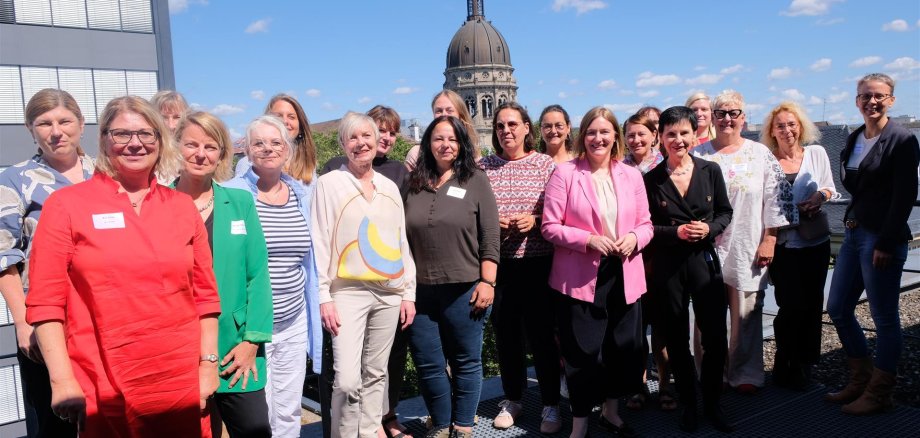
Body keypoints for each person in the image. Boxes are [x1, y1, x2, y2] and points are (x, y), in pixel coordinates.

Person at [25, 96, 220, 437]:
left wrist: (208, 365)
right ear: (103, 139)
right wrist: (62, 379)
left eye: (146, 134)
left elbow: (205, 297)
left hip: (180, 380)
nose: (135, 144)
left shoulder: (181, 207)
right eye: (121, 134)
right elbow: (46, 303)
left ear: (160, 141)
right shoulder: (66, 206)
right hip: (104, 380)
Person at [541, 106, 653, 438]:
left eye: (604, 132)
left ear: (615, 137)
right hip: (579, 277)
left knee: (620, 350)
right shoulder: (565, 173)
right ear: (582, 136)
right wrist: (588, 239)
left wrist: (634, 238)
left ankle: (611, 413)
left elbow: (646, 224)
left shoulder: (630, 174)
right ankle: (579, 424)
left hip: (623, 272)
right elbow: (549, 227)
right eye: (591, 132)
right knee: (581, 354)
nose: (598, 138)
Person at [311, 111, 417, 437]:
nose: (361, 143)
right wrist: (324, 295)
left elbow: (401, 242)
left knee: (376, 373)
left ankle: (370, 432)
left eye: (366, 136)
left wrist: (408, 292)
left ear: (376, 142)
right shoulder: (329, 183)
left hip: (389, 292)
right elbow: (319, 240)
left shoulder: (388, 187)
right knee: (345, 379)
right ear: (343, 143)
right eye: (353, 137)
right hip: (347, 292)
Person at [172, 111, 274, 438]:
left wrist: (252, 341)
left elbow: (257, 275)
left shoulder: (240, 202)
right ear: (176, 147)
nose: (201, 154)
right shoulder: (159, 204)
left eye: (211, 146)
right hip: (181, 349)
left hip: (236, 349)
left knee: (255, 430)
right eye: (191, 144)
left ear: (221, 154)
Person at [0, 89, 94, 438]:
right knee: (55, 423)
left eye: (64, 121)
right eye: (44, 123)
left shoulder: (105, 174)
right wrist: (24, 322)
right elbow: (5, 256)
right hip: (46, 322)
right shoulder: (15, 180)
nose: (56, 131)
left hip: (102, 318)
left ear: (81, 125)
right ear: (30, 129)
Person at [826, 73, 920, 415]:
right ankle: (860, 378)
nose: (872, 101)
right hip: (852, 233)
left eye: (879, 96)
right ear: (857, 101)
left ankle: (880, 392)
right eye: (865, 96)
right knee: (837, 306)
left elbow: (905, 195)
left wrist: (886, 239)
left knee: (884, 318)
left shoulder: (902, 139)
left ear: (891, 100)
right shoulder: (854, 138)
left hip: (881, 238)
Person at [224, 115, 321, 437]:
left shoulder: (301, 193)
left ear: (288, 149)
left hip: (293, 320)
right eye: (259, 143)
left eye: (275, 142)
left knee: (289, 408)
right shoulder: (231, 195)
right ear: (247, 151)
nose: (268, 149)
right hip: (252, 326)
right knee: (257, 415)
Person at [404, 115, 499, 438]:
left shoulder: (475, 180)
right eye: (438, 139)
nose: (445, 145)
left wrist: (488, 282)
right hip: (419, 291)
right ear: (428, 144)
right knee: (428, 362)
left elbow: (490, 235)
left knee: (465, 360)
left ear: (461, 145)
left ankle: (464, 425)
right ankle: (442, 424)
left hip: (466, 287)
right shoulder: (413, 182)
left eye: (452, 139)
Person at [644, 106, 733, 432]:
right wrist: (675, 232)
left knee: (714, 336)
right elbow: (646, 226)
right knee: (676, 339)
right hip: (668, 266)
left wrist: (709, 230)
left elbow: (725, 212)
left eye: (684, 133)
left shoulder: (710, 171)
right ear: (661, 137)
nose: (678, 140)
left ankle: (712, 402)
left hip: (703, 262)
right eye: (671, 134)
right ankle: (689, 404)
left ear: (695, 135)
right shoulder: (650, 180)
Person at [693, 90, 788, 394]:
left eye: (733, 113)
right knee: (707, 314)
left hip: (748, 243)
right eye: (720, 113)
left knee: (746, 313)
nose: (726, 119)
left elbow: (777, 198)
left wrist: (770, 239)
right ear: (712, 117)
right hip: (707, 248)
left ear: (743, 119)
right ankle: (709, 371)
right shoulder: (700, 154)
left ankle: (744, 372)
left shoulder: (759, 154)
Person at [480, 102, 562, 433]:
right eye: (500, 126)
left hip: (539, 263)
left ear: (527, 128)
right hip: (500, 265)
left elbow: (561, 213)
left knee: (543, 336)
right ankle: (513, 399)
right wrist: (490, 224)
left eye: (513, 124)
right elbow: (472, 213)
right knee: (507, 336)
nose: (506, 131)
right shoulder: (482, 166)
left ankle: (551, 404)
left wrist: (537, 220)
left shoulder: (546, 165)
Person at [761, 102, 837, 391]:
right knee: (789, 305)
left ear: (801, 126)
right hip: (784, 245)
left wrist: (818, 197)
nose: (787, 130)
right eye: (780, 125)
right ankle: (785, 361)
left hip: (815, 243)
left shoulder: (815, 153)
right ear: (772, 131)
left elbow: (829, 186)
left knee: (812, 303)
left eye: (792, 124)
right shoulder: (767, 160)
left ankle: (806, 364)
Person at [621, 110, 672, 413]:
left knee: (663, 329)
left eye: (642, 133)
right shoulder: (619, 168)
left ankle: (665, 385)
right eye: (630, 134)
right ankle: (638, 386)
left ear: (654, 136)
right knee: (634, 330)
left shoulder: (666, 168)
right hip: (630, 258)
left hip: (661, 256)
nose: (636, 139)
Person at [236, 93, 318, 187]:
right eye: (278, 116)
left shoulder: (308, 163)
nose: (285, 121)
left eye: (291, 117)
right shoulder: (248, 164)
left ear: (300, 127)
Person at [405, 90, 478, 170]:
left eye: (449, 110)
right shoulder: (417, 155)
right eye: (439, 111)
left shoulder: (473, 155)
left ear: (461, 116)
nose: (444, 115)